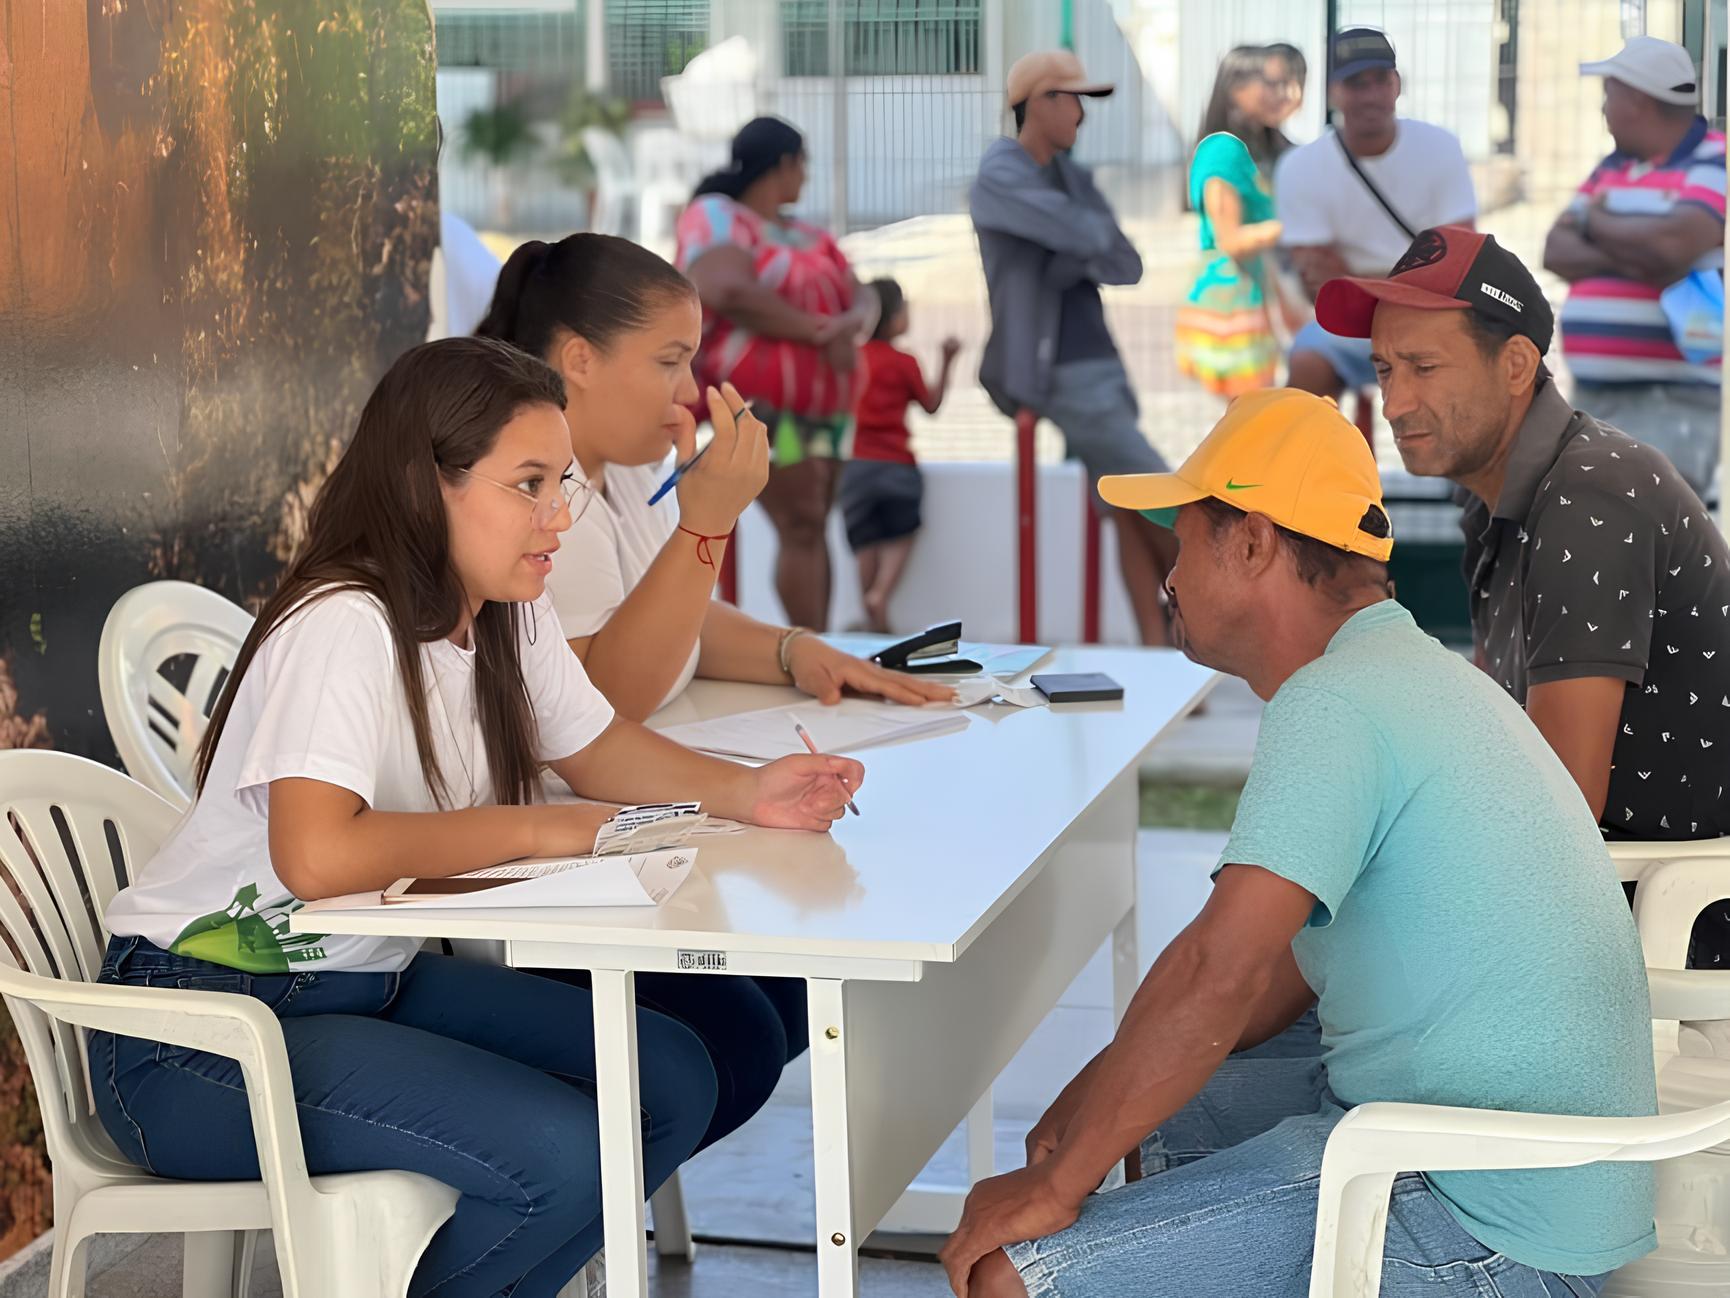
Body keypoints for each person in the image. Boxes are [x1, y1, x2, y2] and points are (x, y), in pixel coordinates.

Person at [91, 337, 864, 1298]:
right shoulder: (345, 622)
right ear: (428, 486)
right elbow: (319, 856)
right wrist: (537, 828)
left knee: (670, 1078)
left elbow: (592, 748)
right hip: (197, 1034)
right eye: (529, 484)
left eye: (564, 485)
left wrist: (750, 792)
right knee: (563, 1155)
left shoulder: (500, 605)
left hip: (356, 981)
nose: (557, 519)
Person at [937, 388, 1659, 1298]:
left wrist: (1052, 1182)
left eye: (1185, 537)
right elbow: (1270, 972)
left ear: (1253, 541)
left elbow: (1222, 969)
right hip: (1525, 1182)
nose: (1168, 576)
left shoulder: (1336, 702)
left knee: (1011, 1275)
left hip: (1491, 1226)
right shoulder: (1402, 670)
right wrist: (1087, 1107)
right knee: (1138, 1124)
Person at [1318, 224, 1730, 961]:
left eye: (1423, 367)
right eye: (1384, 370)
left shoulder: (1589, 497)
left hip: (1667, 937)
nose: (1395, 404)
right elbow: (1495, 741)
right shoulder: (1501, 492)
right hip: (1606, 905)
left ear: (1515, 365)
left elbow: (1557, 806)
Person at [474, 233, 950, 722]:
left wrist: (797, 652)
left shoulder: (626, 472)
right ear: (580, 360)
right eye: (669, 362)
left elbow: (682, 619)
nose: (690, 389)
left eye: (690, 363)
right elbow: (603, 704)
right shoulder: (539, 498)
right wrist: (707, 523)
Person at [971, 50, 1177, 646]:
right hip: (1056, 368)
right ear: (1038, 103)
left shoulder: (1071, 177)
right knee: (1160, 499)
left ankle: (1159, 649)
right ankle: (1214, 612)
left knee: (1130, 515)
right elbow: (1094, 238)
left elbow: (1125, 262)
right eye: (1074, 99)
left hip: (1098, 362)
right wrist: (1076, 241)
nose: (1083, 116)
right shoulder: (1001, 173)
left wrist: (1064, 243)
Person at [675, 116, 877, 631]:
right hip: (765, 410)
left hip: (823, 407)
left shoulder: (802, 231)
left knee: (812, 525)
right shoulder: (718, 217)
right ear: (783, 163)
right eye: (803, 163)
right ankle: (807, 650)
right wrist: (821, 332)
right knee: (802, 522)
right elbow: (725, 289)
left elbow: (864, 295)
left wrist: (846, 325)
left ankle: (818, 642)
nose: (806, 177)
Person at [1542, 35, 1725, 498]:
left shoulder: (1716, 160)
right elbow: (1556, 249)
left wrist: (1599, 221)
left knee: (1658, 534)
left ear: (1637, 99)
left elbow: (1672, 246)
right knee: (1601, 530)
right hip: (1594, 398)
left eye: (1609, 94)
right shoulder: (1611, 166)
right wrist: (1641, 255)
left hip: (1673, 402)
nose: (1604, 110)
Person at [1275, 28, 1477, 404]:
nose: (1370, 95)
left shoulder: (1440, 147)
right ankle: (1312, 463)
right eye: (1355, 83)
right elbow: (1319, 285)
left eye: (1380, 81)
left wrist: (1359, 281)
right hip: (1348, 323)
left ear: (1397, 84)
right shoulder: (1300, 167)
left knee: (1483, 372)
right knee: (1307, 366)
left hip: (1432, 318)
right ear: (1333, 91)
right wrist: (1415, 279)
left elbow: (1459, 263)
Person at [838, 277, 960, 632]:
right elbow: (931, 405)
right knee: (901, 532)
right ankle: (881, 594)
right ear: (893, 319)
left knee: (864, 539)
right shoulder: (903, 361)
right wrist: (947, 359)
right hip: (897, 465)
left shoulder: (853, 359)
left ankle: (868, 608)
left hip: (856, 465)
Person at [1176, 131, 1283, 399]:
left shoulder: (1228, 153)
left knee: (1250, 408)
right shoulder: (1222, 160)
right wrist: (1289, 227)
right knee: (1250, 407)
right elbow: (1231, 240)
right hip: (1229, 306)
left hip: (1241, 300)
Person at [1195, 45, 1300, 175]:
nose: (1282, 94)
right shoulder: (1220, 153)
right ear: (1235, 89)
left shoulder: (1276, 144)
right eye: (1270, 83)